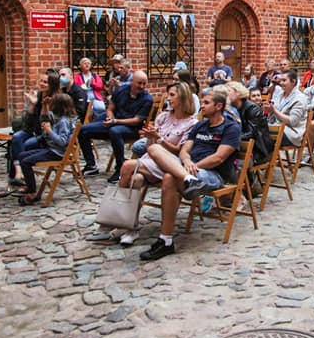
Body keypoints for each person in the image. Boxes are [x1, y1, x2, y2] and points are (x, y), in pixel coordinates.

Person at [138, 88, 241, 261]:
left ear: (219, 106)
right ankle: (188, 180)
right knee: (155, 147)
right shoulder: (200, 125)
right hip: (188, 169)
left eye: (206, 103)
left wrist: (193, 166)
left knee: (170, 177)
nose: (202, 106)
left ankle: (166, 240)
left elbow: (218, 158)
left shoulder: (231, 128)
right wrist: (186, 162)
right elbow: (185, 149)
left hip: (212, 174)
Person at [113, 82, 198, 245]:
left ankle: (120, 220)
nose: (168, 98)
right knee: (134, 180)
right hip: (150, 160)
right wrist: (150, 136)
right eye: (168, 95)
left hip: (170, 164)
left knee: (127, 165)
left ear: (183, 97)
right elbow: (148, 148)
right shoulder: (163, 117)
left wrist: (158, 138)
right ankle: (131, 227)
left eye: (172, 95)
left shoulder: (191, 124)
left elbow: (177, 151)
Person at [79, 70, 153, 183]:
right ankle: (91, 165)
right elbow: (110, 108)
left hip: (131, 128)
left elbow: (136, 120)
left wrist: (115, 121)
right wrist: (110, 118)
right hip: (114, 121)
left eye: (144, 83)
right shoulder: (121, 90)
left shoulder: (147, 99)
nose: (142, 86)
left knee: (115, 131)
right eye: (139, 83)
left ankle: (120, 167)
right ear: (132, 81)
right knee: (83, 130)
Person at [13, 93, 78, 206]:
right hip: (51, 149)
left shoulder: (63, 121)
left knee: (25, 161)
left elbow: (62, 142)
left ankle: (32, 191)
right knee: (22, 155)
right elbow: (48, 116)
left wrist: (49, 131)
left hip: (57, 153)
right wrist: (45, 106)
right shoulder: (59, 118)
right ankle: (30, 187)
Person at [7, 72, 59, 187]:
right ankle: (18, 174)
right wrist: (32, 104)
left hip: (45, 136)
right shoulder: (38, 95)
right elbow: (26, 122)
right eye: (41, 81)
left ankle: (17, 177)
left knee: (24, 145)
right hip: (32, 130)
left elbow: (45, 123)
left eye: (45, 82)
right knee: (16, 138)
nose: (42, 84)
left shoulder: (55, 100)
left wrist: (42, 106)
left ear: (52, 85)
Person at [226, 81, 271, 166]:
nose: (225, 95)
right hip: (242, 147)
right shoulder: (232, 108)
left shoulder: (252, 109)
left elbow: (252, 133)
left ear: (238, 92)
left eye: (228, 91)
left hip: (257, 150)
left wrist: (231, 137)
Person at [265, 69, 308, 147]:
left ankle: (264, 157)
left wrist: (274, 110)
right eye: (280, 81)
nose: (281, 83)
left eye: (284, 80)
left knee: (260, 135)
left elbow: (292, 121)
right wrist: (267, 108)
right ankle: (263, 157)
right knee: (256, 131)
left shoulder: (300, 98)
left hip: (291, 133)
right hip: (277, 127)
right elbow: (273, 107)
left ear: (293, 82)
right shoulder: (281, 94)